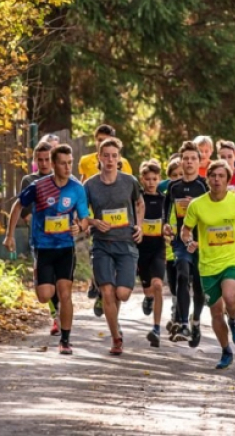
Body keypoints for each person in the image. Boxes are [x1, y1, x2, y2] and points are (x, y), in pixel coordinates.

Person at [3, 144, 89, 354]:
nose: (68, 167)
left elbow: (85, 219)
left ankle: (66, 340)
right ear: (53, 164)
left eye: (70, 163)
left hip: (65, 247)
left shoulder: (77, 188)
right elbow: (18, 205)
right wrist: (9, 234)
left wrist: (80, 226)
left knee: (65, 292)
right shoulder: (40, 186)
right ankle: (41, 281)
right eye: (63, 163)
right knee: (44, 295)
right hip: (43, 246)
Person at [182, 160, 235, 369]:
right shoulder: (197, 205)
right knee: (216, 312)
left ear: (227, 179)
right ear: (207, 179)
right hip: (207, 265)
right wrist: (189, 241)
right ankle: (226, 350)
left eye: (221, 176)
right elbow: (185, 230)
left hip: (232, 260)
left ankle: (234, 320)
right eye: (213, 176)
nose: (217, 180)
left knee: (230, 297)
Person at [84, 137, 144, 355]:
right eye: (106, 155)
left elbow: (140, 203)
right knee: (109, 292)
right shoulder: (90, 185)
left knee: (123, 293)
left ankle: (108, 307)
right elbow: (81, 214)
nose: (110, 160)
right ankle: (116, 337)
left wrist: (139, 225)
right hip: (101, 244)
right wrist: (92, 222)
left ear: (119, 159)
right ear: (99, 157)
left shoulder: (129, 181)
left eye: (114, 156)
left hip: (126, 243)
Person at [78, 124, 133, 312]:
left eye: (105, 139)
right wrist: (88, 220)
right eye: (99, 140)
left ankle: (106, 291)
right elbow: (83, 185)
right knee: (98, 254)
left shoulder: (123, 163)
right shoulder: (86, 161)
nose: (102, 142)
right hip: (97, 212)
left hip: (118, 218)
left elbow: (127, 192)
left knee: (115, 267)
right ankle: (97, 284)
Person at [163, 141, 208, 345]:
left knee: (199, 285)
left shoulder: (203, 185)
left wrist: (196, 206)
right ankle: (181, 323)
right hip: (182, 238)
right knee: (181, 272)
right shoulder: (173, 186)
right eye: (186, 158)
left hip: (202, 239)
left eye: (193, 158)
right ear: (181, 161)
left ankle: (195, 320)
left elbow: (213, 211)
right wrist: (165, 225)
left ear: (199, 162)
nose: (189, 162)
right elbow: (167, 211)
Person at [19, 141, 61, 336]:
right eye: (40, 159)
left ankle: (60, 315)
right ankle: (55, 316)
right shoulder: (29, 180)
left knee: (60, 279)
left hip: (62, 238)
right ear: (35, 160)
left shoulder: (62, 179)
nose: (44, 163)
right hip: (40, 238)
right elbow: (24, 211)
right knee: (46, 281)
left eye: (47, 159)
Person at [137, 160, 167, 347]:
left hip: (158, 248)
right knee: (148, 289)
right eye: (147, 179)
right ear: (142, 180)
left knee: (158, 285)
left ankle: (156, 328)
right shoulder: (138, 198)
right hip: (141, 250)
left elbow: (169, 219)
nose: (150, 182)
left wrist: (167, 228)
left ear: (159, 179)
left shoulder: (164, 200)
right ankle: (148, 298)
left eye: (154, 179)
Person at [160, 157, 183, 333]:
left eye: (181, 174)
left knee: (184, 281)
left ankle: (180, 317)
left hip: (186, 249)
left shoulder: (192, 197)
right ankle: (176, 310)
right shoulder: (166, 199)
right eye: (174, 175)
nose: (178, 178)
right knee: (173, 282)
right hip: (169, 250)